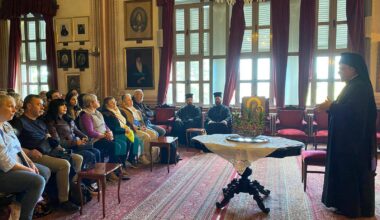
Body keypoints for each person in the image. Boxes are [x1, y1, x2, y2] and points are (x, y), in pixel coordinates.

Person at [316, 53, 377, 218]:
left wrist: (331, 106)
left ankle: (352, 208)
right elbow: (346, 109)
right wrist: (332, 106)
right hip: (347, 141)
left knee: (349, 173)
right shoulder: (353, 85)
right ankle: (344, 205)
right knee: (344, 172)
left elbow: (354, 113)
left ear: (353, 69)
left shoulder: (360, 87)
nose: (339, 72)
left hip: (354, 144)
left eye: (342, 69)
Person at [10, 95, 82, 212]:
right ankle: (63, 200)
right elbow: (13, 144)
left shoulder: (40, 122)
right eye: (38, 104)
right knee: (64, 164)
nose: (42, 107)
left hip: (49, 151)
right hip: (34, 155)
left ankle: (72, 190)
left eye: (42, 104)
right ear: (28, 106)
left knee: (77, 158)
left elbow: (49, 139)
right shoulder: (19, 122)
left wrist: (58, 147)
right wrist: (28, 151)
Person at [0, 94, 51, 220]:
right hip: (3, 172)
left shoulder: (6, 125)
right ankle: (25, 216)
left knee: (45, 171)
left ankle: (18, 206)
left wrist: (30, 163)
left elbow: (18, 147)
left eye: (14, 106)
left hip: (15, 164)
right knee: (37, 180)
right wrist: (27, 169)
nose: (14, 110)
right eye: (10, 106)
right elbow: (5, 162)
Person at [78, 94, 129, 181]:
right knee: (115, 146)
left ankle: (116, 169)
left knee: (122, 142)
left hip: (104, 137)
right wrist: (104, 135)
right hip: (94, 140)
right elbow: (90, 132)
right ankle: (112, 171)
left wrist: (109, 133)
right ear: (91, 103)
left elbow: (105, 125)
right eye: (96, 100)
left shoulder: (97, 112)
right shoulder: (85, 115)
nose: (98, 102)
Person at [45, 99, 101, 171]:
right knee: (89, 154)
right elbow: (56, 141)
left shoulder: (67, 118)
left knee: (96, 151)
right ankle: (85, 178)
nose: (65, 107)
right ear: (55, 107)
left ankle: (97, 176)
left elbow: (76, 130)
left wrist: (84, 137)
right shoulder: (51, 122)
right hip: (65, 148)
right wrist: (75, 142)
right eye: (62, 105)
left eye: (65, 105)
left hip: (75, 144)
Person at [120, 93, 159, 165]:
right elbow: (129, 123)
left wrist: (143, 126)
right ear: (124, 102)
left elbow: (139, 120)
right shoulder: (123, 110)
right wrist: (139, 127)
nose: (131, 101)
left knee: (154, 134)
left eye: (131, 99)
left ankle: (152, 156)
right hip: (133, 130)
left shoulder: (133, 108)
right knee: (146, 136)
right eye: (128, 100)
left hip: (140, 127)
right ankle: (142, 156)